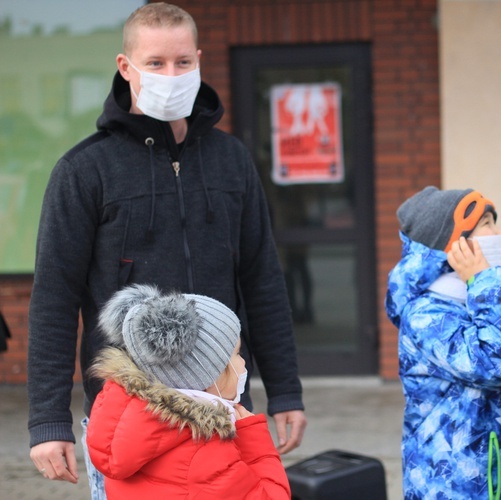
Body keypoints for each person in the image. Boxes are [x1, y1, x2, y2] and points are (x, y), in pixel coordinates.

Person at [27, 2, 306, 496]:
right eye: (155, 63)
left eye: (183, 62)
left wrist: (285, 391)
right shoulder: (84, 170)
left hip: (224, 407)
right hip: (127, 420)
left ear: (199, 61)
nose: (171, 74)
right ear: (126, 67)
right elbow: (53, 298)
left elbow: (262, 280)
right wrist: (48, 421)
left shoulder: (232, 161)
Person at [386, 186, 501, 500]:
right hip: (456, 486)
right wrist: (485, 279)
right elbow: (496, 365)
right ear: (453, 246)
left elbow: (494, 393)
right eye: (487, 224)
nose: (500, 232)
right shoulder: (427, 315)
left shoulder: (477, 299)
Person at [85, 284, 291, 499]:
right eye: (237, 354)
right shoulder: (205, 451)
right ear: (207, 374)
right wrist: (253, 439)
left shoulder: (132, 426)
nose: (243, 363)